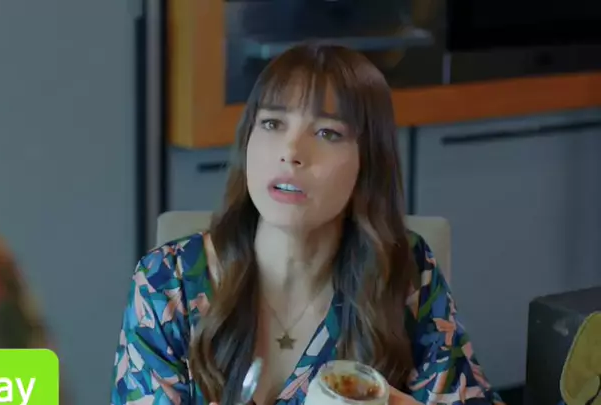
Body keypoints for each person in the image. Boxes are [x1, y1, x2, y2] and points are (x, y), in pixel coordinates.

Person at [110, 44, 505, 405]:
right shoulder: (167, 281)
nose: (292, 152)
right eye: (272, 123)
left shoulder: (406, 271)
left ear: (368, 161)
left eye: (327, 132)